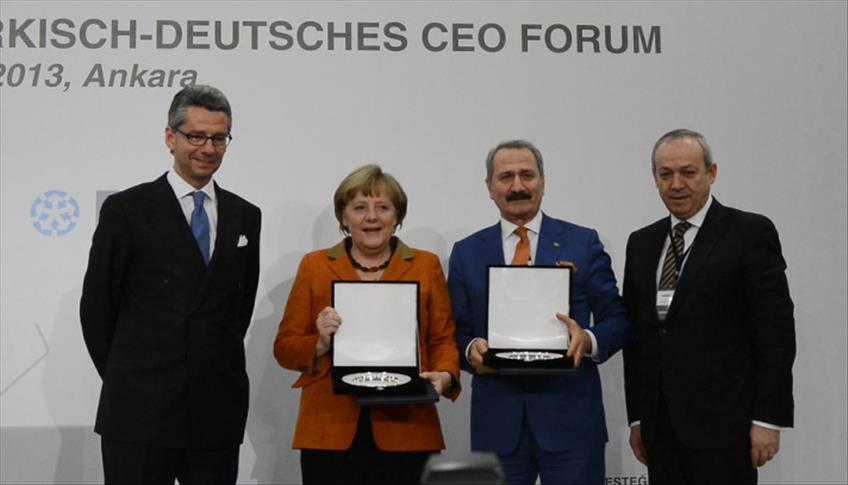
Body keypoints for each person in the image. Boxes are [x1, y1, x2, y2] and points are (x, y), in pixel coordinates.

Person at [80, 85, 261, 484]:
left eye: (219, 138)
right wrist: (130, 377)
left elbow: (238, 309)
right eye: (196, 136)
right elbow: (97, 308)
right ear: (170, 137)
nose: (208, 148)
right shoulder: (127, 209)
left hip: (216, 410)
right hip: (139, 412)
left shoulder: (245, 215)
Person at [448, 140, 630, 484]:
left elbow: (617, 319)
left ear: (543, 182)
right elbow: (454, 331)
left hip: (571, 420)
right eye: (506, 177)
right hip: (498, 423)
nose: (517, 186)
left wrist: (587, 339)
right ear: (489, 187)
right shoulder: (466, 252)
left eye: (527, 175)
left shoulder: (583, 242)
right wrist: (471, 349)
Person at [622, 129, 795, 484]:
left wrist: (768, 418)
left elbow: (775, 333)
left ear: (711, 173)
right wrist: (638, 417)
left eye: (688, 172)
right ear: (654, 178)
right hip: (660, 429)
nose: (676, 184)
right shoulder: (641, 243)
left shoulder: (750, 233)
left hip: (726, 428)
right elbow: (638, 339)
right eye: (666, 174)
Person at [274, 164, 461, 485]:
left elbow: (442, 338)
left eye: (382, 207)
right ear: (343, 216)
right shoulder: (314, 266)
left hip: (408, 427)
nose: (371, 217)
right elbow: (284, 347)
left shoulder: (426, 264)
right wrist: (319, 343)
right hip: (329, 428)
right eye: (359, 207)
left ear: (397, 216)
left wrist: (445, 375)